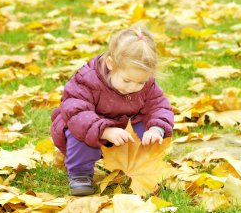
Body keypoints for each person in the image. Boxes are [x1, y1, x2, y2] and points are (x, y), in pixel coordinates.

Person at [50, 26, 174, 196]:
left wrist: (156, 128)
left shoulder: (146, 84)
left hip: (122, 127)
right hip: (87, 126)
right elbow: (75, 111)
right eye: (127, 80)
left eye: (140, 83)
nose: (133, 88)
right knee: (80, 133)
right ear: (110, 64)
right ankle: (80, 173)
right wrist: (104, 130)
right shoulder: (87, 79)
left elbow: (159, 106)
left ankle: (141, 167)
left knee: (149, 132)